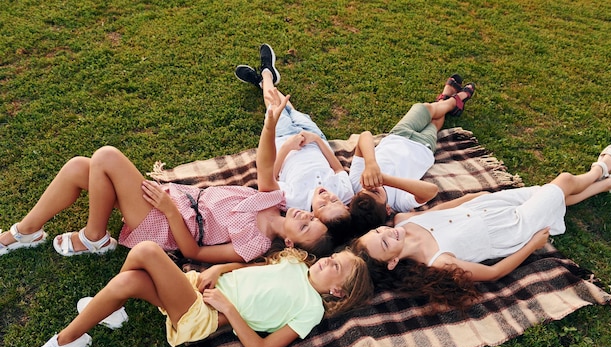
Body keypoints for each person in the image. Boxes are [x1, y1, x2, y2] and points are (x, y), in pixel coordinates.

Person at [0, 86, 334, 263]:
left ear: (290, 243)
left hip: (166, 221)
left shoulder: (255, 244)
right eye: (311, 217)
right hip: (171, 198)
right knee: (78, 167)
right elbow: (265, 163)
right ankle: (26, 231)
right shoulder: (274, 200)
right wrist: (270, 123)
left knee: (107, 157)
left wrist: (170, 210)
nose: (305, 214)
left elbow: (195, 254)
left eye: (305, 225)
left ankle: (94, 238)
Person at [23, 240, 373, 347]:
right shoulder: (295, 264)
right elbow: (249, 271)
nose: (328, 261)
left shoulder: (311, 308)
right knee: (126, 282)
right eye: (333, 256)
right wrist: (220, 267)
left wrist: (229, 308)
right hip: (199, 288)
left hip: (205, 313)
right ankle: (106, 313)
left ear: (338, 293)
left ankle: (63, 342)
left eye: (336, 267)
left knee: (146, 251)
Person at [353, 145, 611, 285]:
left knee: (555, 195)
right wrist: (532, 245)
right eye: (386, 242)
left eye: (378, 231)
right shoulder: (438, 263)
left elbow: (441, 209)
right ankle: (600, 169)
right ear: (393, 262)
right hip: (514, 228)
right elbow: (493, 273)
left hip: (491, 205)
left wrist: (474, 197)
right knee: (563, 182)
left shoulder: (404, 221)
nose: (386, 231)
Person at [235, 44, 354, 239]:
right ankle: (265, 80)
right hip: (313, 137)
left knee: (274, 106)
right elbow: (338, 168)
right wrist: (316, 140)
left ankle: (266, 74)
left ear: (314, 216)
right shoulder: (345, 191)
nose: (328, 197)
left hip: (283, 141)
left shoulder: (294, 201)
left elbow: (271, 175)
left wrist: (288, 147)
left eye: (323, 205)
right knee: (290, 109)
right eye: (336, 202)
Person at [349, 74, 476, 236]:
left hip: (398, 135)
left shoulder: (356, 182)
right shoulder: (399, 202)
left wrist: (371, 163)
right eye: (375, 192)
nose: (371, 186)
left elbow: (365, 136)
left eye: (365, 190)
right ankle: (451, 100)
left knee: (423, 108)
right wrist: (384, 179)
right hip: (422, 147)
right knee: (434, 123)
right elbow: (431, 190)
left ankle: (452, 101)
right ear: (388, 210)